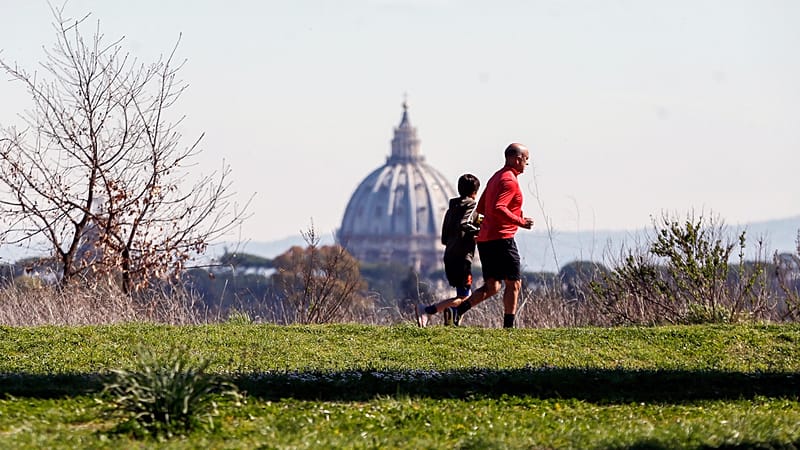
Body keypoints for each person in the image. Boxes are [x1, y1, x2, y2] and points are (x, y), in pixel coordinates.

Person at [451, 143, 534, 328]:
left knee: (493, 286)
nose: (527, 164)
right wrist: (521, 221)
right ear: (517, 159)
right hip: (502, 239)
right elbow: (498, 208)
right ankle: (509, 327)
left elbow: (481, 208)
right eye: (526, 159)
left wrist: (484, 228)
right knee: (514, 283)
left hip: (486, 239)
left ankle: (457, 311)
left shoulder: (496, 177)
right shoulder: (509, 180)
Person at [415, 174, 481, 327]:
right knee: (465, 296)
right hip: (462, 257)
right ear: (474, 192)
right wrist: (478, 233)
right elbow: (465, 224)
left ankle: (451, 318)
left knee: (462, 294)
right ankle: (426, 310)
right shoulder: (472, 206)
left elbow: (444, 239)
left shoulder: (450, 210)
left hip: (449, 256)